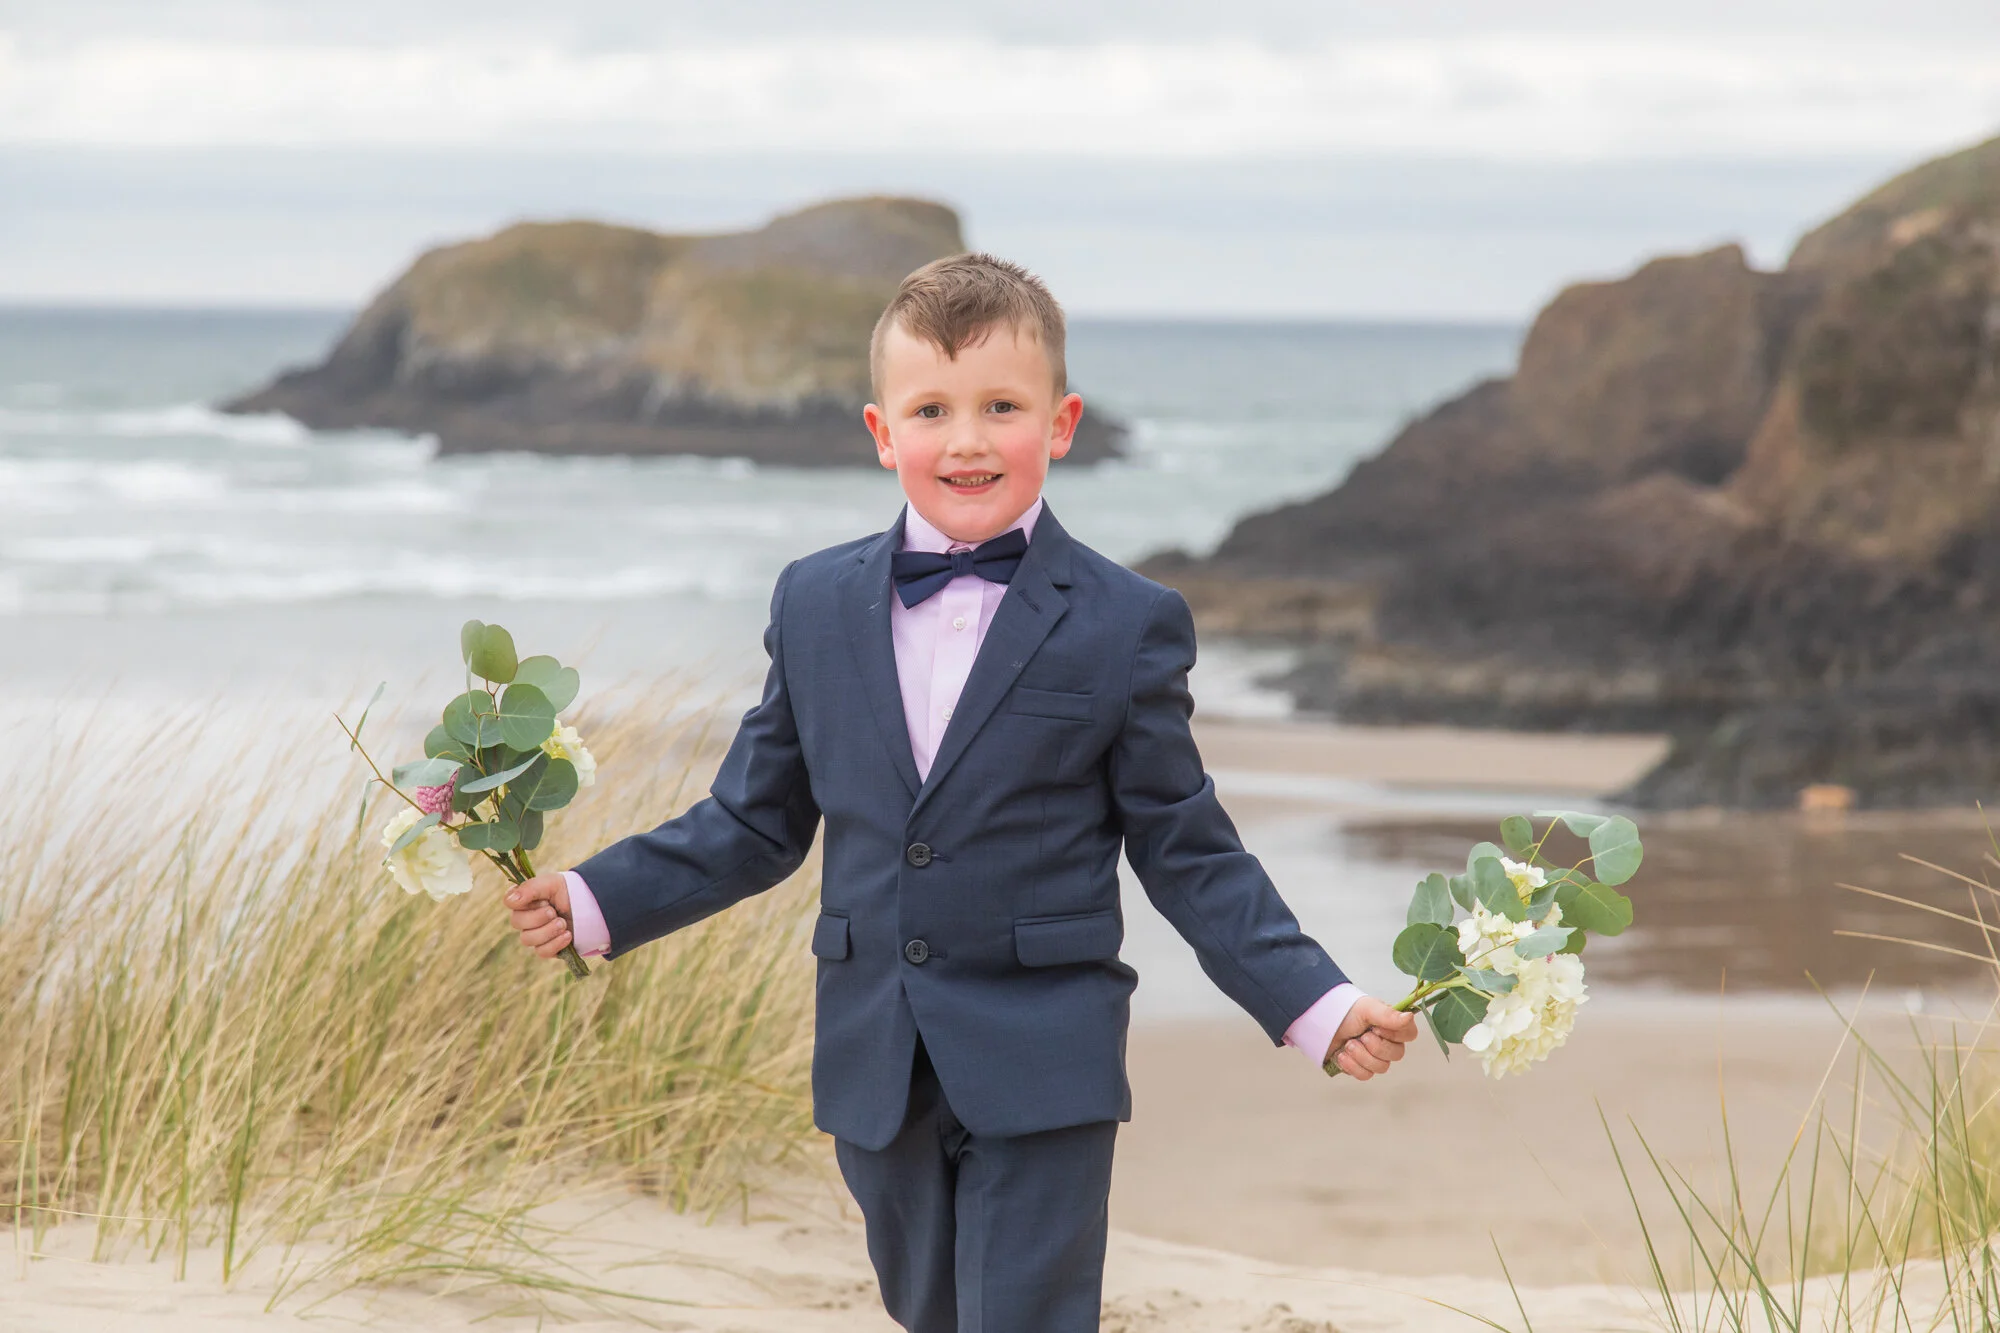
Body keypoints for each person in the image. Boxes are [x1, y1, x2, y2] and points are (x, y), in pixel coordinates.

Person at [502, 253, 1418, 1332]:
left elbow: (1185, 847)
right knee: (928, 1310)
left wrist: (1310, 1000)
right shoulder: (812, 603)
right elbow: (754, 820)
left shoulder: (1126, 621)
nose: (968, 439)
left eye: (1001, 406)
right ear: (882, 432)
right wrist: (598, 898)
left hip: (1045, 1053)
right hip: (875, 1056)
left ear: (1061, 422)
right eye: (931, 409)